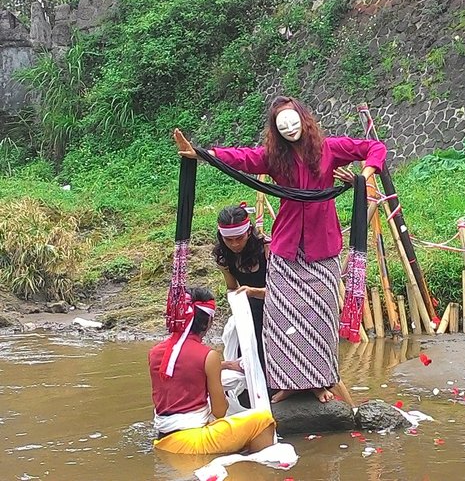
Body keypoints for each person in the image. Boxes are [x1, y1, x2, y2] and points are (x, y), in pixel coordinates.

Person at [174, 96, 387, 405]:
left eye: (293, 122)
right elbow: (242, 158)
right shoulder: (274, 158)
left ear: (304, 121)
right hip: (286, 247)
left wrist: (364, 175)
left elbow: (374, 148)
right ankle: (286, 383)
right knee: (279, 316)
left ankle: (319, 382)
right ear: (275, 130)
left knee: (320, 317)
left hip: (322, 247)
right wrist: (202, 154)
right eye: (282, 126)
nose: (289, 129)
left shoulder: (330, 149)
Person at [148, 286, 275, 455]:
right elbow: (219, 411)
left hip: (163, 440)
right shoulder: (209, 356)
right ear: (208, 322)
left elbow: (181, 372)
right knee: (264, 420)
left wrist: (225, 365)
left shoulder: (154, 352)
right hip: (193, 442)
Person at [214, 203, 269, 373]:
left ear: (249, 231)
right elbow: (232, 287)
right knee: (248, 351)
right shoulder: (223, 256)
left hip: (275, 307)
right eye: (228, 240)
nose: (235, 244)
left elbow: (284, 292)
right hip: (249, 310)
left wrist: (253, 291)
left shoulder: (267, 249)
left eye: (239, 238)